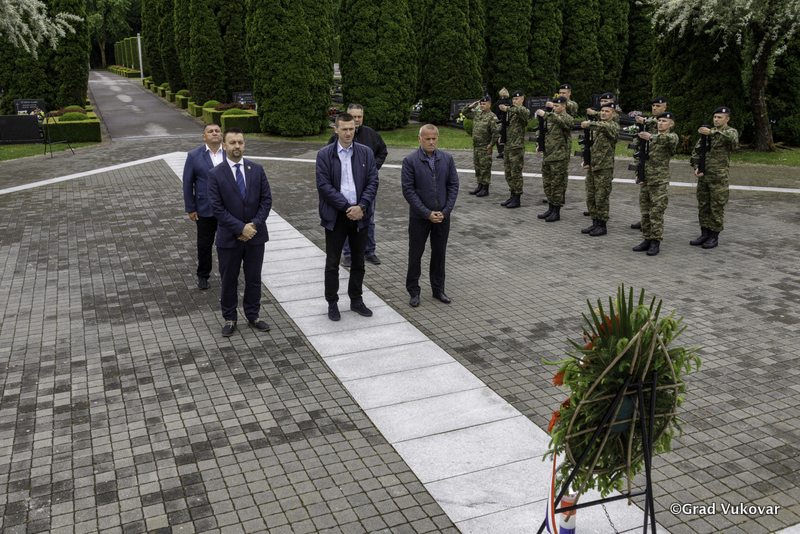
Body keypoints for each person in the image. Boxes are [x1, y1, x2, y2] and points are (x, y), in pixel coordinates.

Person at [207, 128, 272, 337]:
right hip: (229, 238)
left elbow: (266, 201)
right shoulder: (215, 174)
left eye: (240, 142)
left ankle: (253, 315)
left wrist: (252, 226)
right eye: (233, 142)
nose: (237, 146)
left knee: (253, 278)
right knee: (229, 279)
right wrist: (240, 228)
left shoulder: (257, 169)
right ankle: (230, 318)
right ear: (224, 146)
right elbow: (217, 208)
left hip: (255, 237)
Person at [317, 113, 379, 321]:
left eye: (351, 128)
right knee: (332, 263)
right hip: (336, 217)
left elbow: (373, 182)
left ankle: (356, 300)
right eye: (344, 129)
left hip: (360, 215)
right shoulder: (324, 154)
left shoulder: (365, 152)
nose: (348, 133)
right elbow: (324, 186)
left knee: (359, 262)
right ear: (335, 129)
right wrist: (347, 208)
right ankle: (332, 302)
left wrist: (361, 206)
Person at [402, 124, 459, 307]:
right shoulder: (410, 161)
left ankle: (438, 289)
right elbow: (408, 191)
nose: (431, 142)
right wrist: (426, 213)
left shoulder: (447, 158)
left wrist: (445, 211)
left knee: (439, 254)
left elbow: (453, 185)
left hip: (442, 217)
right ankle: (413, 291)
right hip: (419, 218)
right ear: (420, 139)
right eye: (427, 139)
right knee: (415, 254)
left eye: (434, 138)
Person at [327, 103, 387, 267]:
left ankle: (370, 251)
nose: (357, 120)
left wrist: (373, 167)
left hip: (367, 188)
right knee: (347, 219)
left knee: (369, 220)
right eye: (354, 117)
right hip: (346, 188)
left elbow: (383, 151)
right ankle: (348, 254)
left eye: (359, 117)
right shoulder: (336, 137)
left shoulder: (371, 134)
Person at [183, 123, 225, 290]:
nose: (214, 133)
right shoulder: (194, 156)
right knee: (204, 245)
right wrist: (190, 207)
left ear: (221, 135)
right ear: (204, 136)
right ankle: (203, 275)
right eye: (210, 131)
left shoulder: (230, 153)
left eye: (217, 131)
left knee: (227, 244)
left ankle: (228, 275)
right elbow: (188, 183)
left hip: (228, 209)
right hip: (204, 209)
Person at [690, 106, 739, 249]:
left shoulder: (730, 132)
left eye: (719, 118)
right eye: (715, 117)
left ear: (727, 119)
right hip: (704, 177)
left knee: (716, 206)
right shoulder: (706, 134)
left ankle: (713, 236)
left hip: (719, 178)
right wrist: (696, 167)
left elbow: (733, 141)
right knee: (703, 205)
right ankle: (704, 233)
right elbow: (696, 152)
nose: (716, 120)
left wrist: (711, 132)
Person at [632, 111, 679, 256]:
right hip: (646, 180)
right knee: (645, 212)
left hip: (659, 182)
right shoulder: (648, 137)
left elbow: (669, 140)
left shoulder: (671, 137)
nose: (661, 123)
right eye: (659, 121)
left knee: (656, 213)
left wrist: (651, 136)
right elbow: (639, 155)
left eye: (664, 121)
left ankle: (655, 241)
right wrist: (638, 173)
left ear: (671, 124)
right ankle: (647, 238)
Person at [580, 102, 620, 236]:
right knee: (590, 196)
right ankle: (595, 222)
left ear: (613, 114)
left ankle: (602, 225)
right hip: (593, 167)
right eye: (602, 111)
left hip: (604, 168)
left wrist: (588, 124)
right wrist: (586, 160)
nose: (603, 113)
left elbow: (603, 126)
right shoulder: (598, 127)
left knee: (601, 197)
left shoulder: (612, 126)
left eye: (607, 111)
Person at [631, 96, 669, 230]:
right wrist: (638, 170)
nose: (655, 108)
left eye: (658, 106)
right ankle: (645, 221)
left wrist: (646, 121)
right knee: (644, 199)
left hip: (658, 171)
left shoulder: (665, 123)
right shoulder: (648, 123)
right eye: (653, 106)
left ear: (665, 107)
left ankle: (653, 228)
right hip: (646, 167)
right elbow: (639, 147)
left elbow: (665, 137)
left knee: (656, 202)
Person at [536, 96, 574, 222]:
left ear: (564, 106)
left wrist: (545, 114)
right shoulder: (551, 118)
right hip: (548, 155)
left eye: (557, 106)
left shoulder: (567, 118)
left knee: (557, 185)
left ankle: (556, 211)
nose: (555, 108)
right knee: (547, 184)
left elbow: (561, 121)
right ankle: (550, 208)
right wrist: (540, 144)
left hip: (560, 157)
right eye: (554, 106)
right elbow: (544, 132)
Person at [497, 89, 529, 208]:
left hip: (517, 147)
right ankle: (512, 194)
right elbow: (505, 126)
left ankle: (517, 197)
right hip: (508, 146)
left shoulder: (523, 111)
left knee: (516, 173)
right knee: (508, 173)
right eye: (513, 99)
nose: (515, 101)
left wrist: (508, 109)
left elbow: (522, 112)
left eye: (517, 99)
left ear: (522, 99)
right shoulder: (510, 111)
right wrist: (502, 136)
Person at [462, 96, 499, 197]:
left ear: (489, 104)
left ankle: (485, 188)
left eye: (484, 104)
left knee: (485, 167)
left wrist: (491, 144)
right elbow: (465, 112)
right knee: (477, 167)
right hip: (476, 146)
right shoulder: (477, 114)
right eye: (481, 104)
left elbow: (496, 132)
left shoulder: (492, 117)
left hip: (485, 146)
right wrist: (471, 106)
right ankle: (480, 185)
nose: (482, 106)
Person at [495, 87, 511, 159]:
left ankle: (501, 151)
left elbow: (497, 113)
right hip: (509, 122)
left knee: (498, 135)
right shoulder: (510, 103)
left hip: (501, 122)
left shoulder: (499, 103)